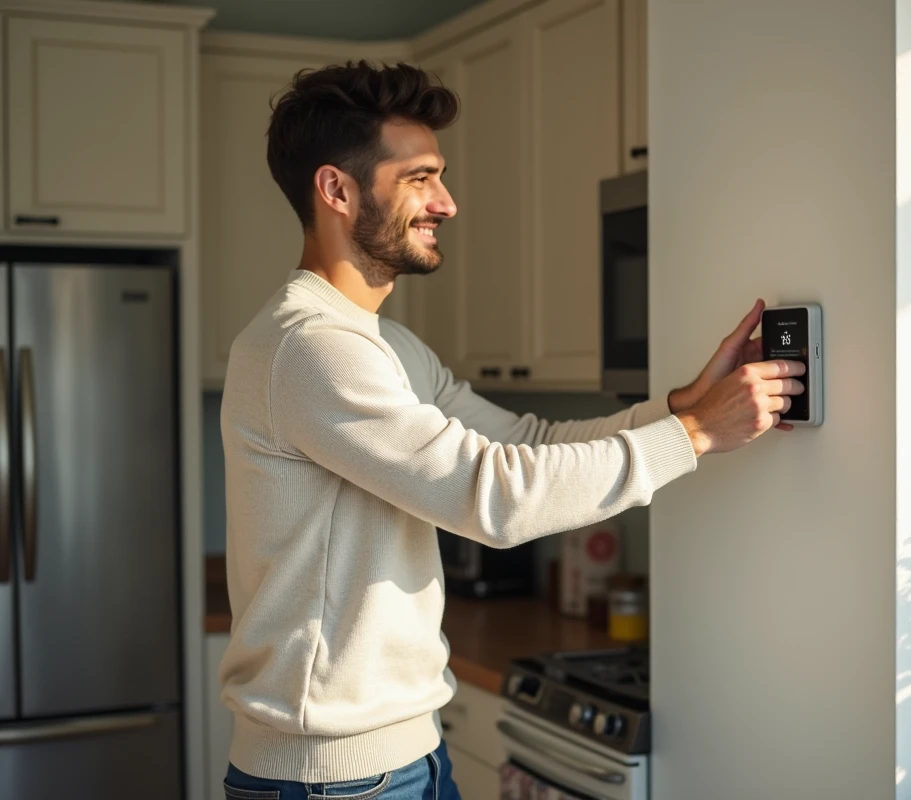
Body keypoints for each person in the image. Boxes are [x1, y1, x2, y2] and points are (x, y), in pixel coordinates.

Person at [217, 61, 805, 800]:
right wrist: (694, 435)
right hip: (334, 780)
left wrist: (681, 405)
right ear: (337, 190)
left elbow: (523, 444)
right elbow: (491, 495)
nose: (448, 203)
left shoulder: (382, 346)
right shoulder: (309, 345)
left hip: (405, 762)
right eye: (420, 178)